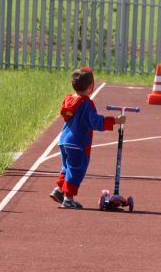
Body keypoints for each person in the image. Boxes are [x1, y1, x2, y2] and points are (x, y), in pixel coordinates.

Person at [49, 68, 125, 209]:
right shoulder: (86, 104)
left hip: (64, 140)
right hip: (78, 142)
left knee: (67, 168)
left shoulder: (69, 100)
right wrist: (115, 120)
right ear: (91, 87)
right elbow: (95, 122)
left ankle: (59, 191)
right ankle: (68, 198)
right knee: (76, 170)